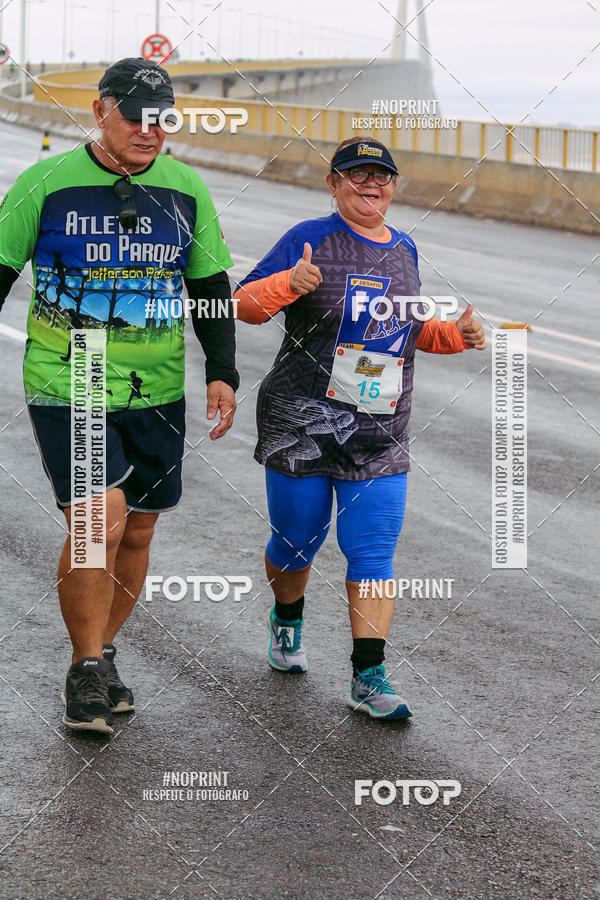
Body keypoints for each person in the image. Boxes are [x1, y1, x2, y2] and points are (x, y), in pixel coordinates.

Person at [0, 58, 238, 734]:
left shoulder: (186, 188)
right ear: (100, 109)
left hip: (157, 387)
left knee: (137, 528)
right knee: (97, 520)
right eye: (135, 116)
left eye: (162, 119)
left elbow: (210, 288)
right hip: (70, 374)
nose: (149, 130)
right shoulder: (45, 182)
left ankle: (103, 652)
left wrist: (222, 370)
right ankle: (82, 670)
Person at [234, 137, 485, 720]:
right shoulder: (308, 237)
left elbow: (408, 328)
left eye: (381, 177)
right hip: (301, 420)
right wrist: (287, 287)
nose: (369, 186)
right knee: (296, 543)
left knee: (372, 551)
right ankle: (287, 621)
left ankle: (368, 675)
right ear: (334, 182)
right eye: (356, 175)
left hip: (379, 429)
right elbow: (244, 304)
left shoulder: (403, 248)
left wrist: (455, 336)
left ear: (393, 186)